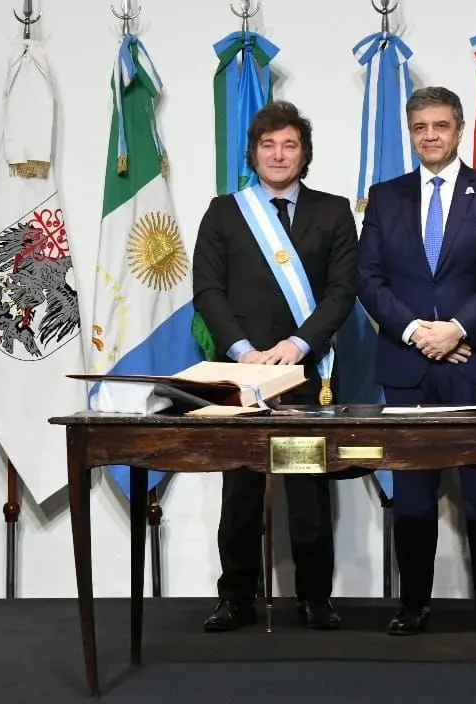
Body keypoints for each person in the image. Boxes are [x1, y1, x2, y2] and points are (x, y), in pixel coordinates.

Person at [355, 86, 476, 637]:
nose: (430, 136)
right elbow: (368, 278)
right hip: (409, 367)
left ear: (459, 129)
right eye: (420, 127)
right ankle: (413, 604)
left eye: (440, 126)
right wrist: (416, 332)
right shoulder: (385, 197)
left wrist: (455, 329)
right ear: (410, 133)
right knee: (412, 494)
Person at [191, 101, 358, 632]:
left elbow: (342, 291)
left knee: (307, 493)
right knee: (240, 493)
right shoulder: (224, 212)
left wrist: (299, 344)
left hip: (306, 375)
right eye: (268, 144)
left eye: (290, 145)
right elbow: (207, 289)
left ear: (304, 153)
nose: (279, 154)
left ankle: (315, 598)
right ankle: (236, 599)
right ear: (253, 152)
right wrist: (243, 352)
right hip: (241, 378)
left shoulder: (333, 211)